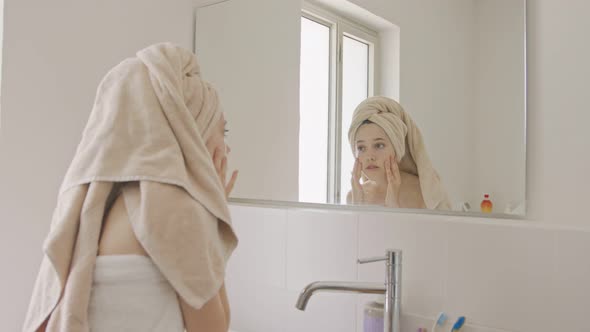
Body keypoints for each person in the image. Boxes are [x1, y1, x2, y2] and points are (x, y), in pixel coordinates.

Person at [23, 43, 239, 332]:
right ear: (190, 130)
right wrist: (213, 211)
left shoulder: (90, 211)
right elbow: (214, 328)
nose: (225, 147)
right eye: (221, 130)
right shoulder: (177, 209)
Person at [346, 96, 451, 210]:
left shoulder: (424, 194)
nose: (370, 157)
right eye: (361, 148)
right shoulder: (353, 196)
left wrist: (393, 205)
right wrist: (357, 205)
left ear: (397, 148)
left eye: (379, 145)